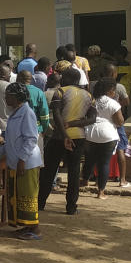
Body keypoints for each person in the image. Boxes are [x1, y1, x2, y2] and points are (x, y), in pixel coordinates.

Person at [41, 68, 95, 215]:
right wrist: (74, 124)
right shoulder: (88, 95)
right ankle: (71, 207)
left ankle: (40, 203)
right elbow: (92, 119)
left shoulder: (60, 92)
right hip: (79, 137)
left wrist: (65, 134)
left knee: (49, 170)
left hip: (59, 137)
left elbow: (57, 114)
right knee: (74, 172)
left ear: (67, 79)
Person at [0, 82, 44, 240]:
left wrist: (22, 159)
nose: (6, 98)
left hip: (26, 162)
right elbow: (10, 140)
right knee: (19, 195)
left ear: (16, 97)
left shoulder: (27, 113)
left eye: (8, 96)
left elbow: (31, 139)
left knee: (28, 195)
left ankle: (35, 229)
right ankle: (25, 226)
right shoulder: (15, 113)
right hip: (14, 161)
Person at [82, 78, 125, 199]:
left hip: (90, 133)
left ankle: (84, 180)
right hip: (108, 134)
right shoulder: (113, 103)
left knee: (89, 159)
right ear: (109, 90)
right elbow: (120, 121)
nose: (115, 93)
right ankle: (101, 192)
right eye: (114, 90)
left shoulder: (91, 101)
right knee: (104, 163)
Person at [98, 63, 131, 188]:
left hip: (101, 122)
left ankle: (97, 180)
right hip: (116, 121)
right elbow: (127, 101)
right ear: (114, 74)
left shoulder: (97, 85)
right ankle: (122, 180)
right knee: (120, 149)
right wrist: (117, 104)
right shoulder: (120, 87)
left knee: (99, 151)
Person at [17, 70, 50, 138]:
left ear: (18, 78)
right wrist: (43, 129)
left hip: (16, 129)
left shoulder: (13, 90)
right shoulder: (38, 92)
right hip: (35, 129)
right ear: (31, 79)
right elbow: (44, 114)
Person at [0, 63, 12, 131]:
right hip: (6, 125)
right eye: (9, 73)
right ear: (3, 75)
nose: (10, 75)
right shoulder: (10, 87)